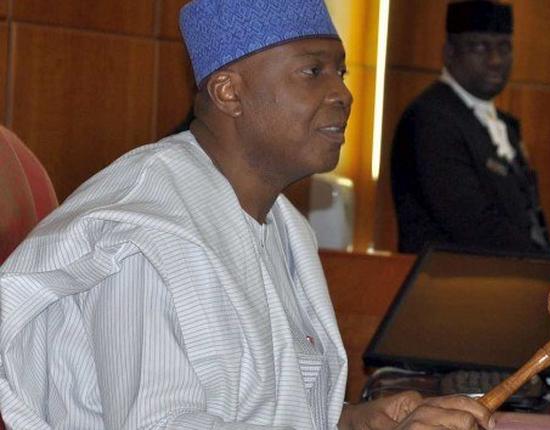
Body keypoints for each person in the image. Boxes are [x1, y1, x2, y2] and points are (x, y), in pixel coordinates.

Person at [0, 1, 492, 429]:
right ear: (228, 92)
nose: (343, 93)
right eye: (312, 71)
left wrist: (350, 421)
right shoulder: (142, 238)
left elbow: (259, 408)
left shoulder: (280, 223)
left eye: (339, 71)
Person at [390, 0, 550, 254]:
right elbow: (472, 223)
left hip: (501, 281)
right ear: (449, 53)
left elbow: (529, 217)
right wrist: (543, 263)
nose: (496, 60)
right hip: (445, 286)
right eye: (480, 47)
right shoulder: (430, 118)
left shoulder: (505, 125)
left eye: (504, 47)